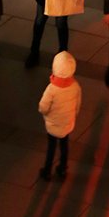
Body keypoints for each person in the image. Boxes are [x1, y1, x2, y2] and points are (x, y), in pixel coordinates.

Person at [38, 51, 81, 181]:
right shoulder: (75, 87)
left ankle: (47, 170)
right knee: (64, 146)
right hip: (67, 123)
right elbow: (77, 105)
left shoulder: (52, 89)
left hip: (53, 125)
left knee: (51, 148)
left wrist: (45, 113)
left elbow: (43, 107)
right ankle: (62, 168)